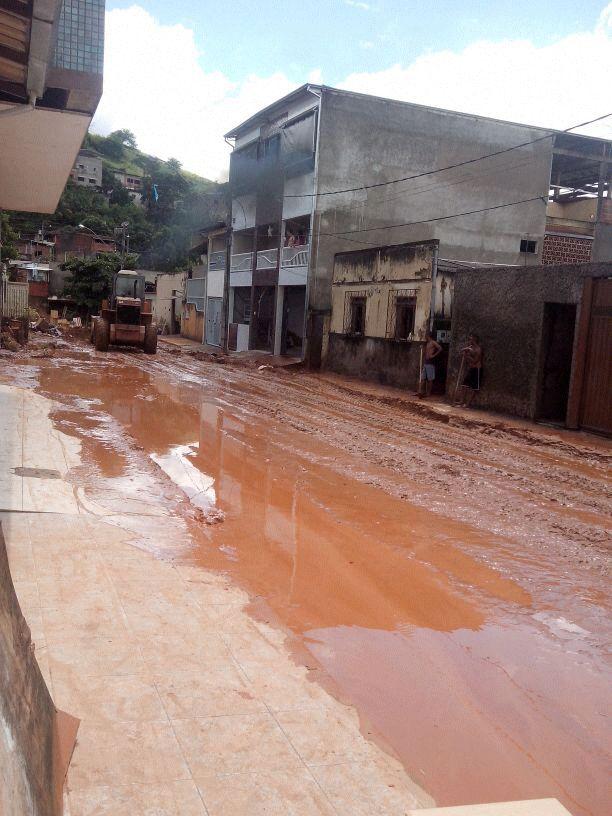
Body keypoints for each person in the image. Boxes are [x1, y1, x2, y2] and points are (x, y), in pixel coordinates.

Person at [457, 333, 482, 407]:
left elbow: (475, 361)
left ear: (474, 340)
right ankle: (461, 401)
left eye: (470, 339)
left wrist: (467, 355)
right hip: (471, 369)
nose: (469, 340)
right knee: (464, 384)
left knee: (474, 388)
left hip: (476, 369)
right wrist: (465, 350)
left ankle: (467, 404)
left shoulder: (478, 349)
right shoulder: (470, 347)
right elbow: (462, 351)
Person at [418, 330, 442, 398]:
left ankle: (428, 393)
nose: (425, 336)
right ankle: (420, 392)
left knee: (430, 379)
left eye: (426, 335)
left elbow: (440, 348)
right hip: (426, 362)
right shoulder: (427, 343)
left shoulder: (433, 342)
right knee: (423, 378)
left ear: (428, 336)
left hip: (430, 363)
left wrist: (434, 355)